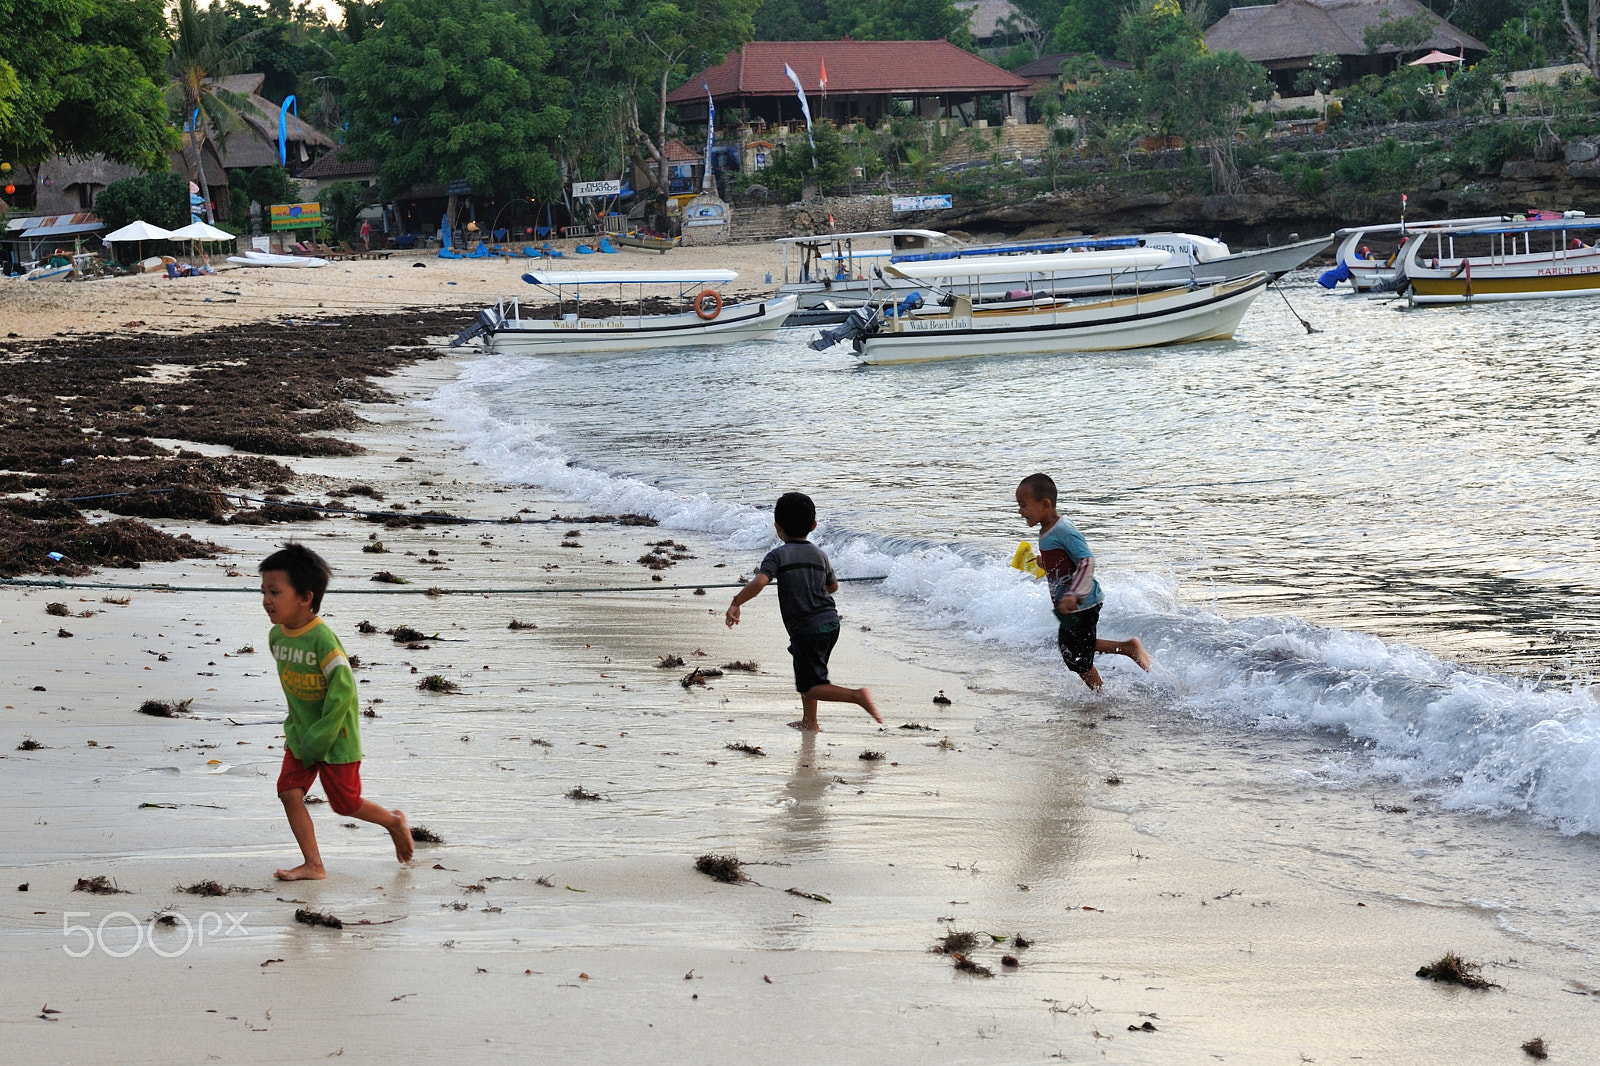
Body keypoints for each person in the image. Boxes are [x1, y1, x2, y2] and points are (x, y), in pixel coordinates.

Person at [260, 543, 412, 880]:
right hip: (301, 735)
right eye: (264, 592)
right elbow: (294, 691)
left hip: (335, 737)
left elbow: (344, 693)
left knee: (345, 804)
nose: (266, 600)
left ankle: (393, 822)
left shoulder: (323, 641)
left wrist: (321, 737)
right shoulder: (277, 637)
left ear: (305, 597)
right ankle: (314, 865)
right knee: (288, 793)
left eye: (275, 592)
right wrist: (297, 729)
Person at [726, 492, 881, 732]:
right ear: (813, 526)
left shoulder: (776, 555)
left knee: (809, 685)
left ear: (778, 528)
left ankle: (857, 696)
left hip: (807, 627)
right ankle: (810, 721)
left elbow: (758, 583)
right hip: (830, 622)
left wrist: (736, 602)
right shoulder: (820, 554)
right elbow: (833, 587)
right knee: (810, 673)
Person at [1015, 473, 1150, 690]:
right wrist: (1045, 563)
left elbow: (1087, 560)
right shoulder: (1046, 530)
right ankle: (1126, 649)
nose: (1020, 512)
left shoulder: (1063, 528)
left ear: (1045, 504)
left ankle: (1101, 692)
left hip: (1082, 602)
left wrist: (1074, 594)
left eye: (1023, 505)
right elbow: (1064, 560)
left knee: (1076, 655)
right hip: (1069, 606)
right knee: (1074, 650)